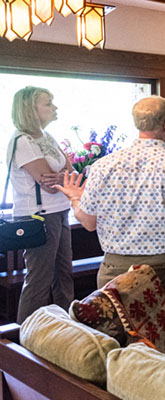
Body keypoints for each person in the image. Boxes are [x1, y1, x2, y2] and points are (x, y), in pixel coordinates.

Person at [56, 96, 165, 292]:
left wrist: (75, 199)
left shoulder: (102, 166)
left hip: (116, 267)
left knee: (118, 321)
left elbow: (89, 223)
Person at [6, 86, 73, 324]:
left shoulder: (46, 137)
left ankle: (67, 329)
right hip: (39, 216)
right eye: (48, 103)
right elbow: (47, 183)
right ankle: (27, 340)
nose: (54, 107)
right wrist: (64, 176)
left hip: (59, 211)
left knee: (64, 276)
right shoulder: (23, 141)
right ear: (30, 109)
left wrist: (63, 176)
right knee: (40, 280)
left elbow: (70, 173)